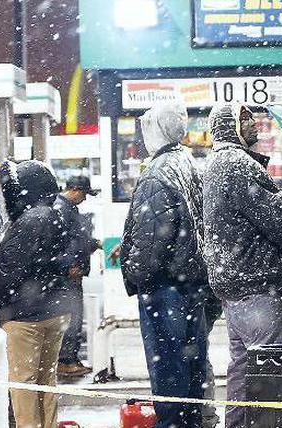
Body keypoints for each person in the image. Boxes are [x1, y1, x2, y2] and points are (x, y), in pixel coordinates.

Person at [201, 103, 282, 427]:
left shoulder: (216, 163)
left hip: (233, 286)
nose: (254, 124)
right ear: (229, 127)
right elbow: (279, 219)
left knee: (243, 369)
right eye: (245, 119)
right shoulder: (238, 165)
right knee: (269, 372)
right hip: (255, 285)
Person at [119, 102, 210, 428]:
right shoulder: (187, 162)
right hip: (190, 285)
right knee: (192, 371)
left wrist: (132, 271)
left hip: (164, 289)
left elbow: (151, 244)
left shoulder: (157, 174)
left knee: (169, 372)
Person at [0, 160, 74, 428]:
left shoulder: (27, 221)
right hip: (54, 310)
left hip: (24, 316)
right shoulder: (55, 214)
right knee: (46, 380)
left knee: (23, 383)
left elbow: (9, 275)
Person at [53, 175, 102, 378]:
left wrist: (94, 244)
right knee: (71, 318)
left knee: (73, 317)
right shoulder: (62, 209)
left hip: (72, 274)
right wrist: (68, 266)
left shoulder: (67, 208)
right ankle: (66, 361)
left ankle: (69, 359)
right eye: (83, 194)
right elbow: (61, 242)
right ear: (74, 190)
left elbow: (77, 239)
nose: (84, 199)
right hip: (68, 276)